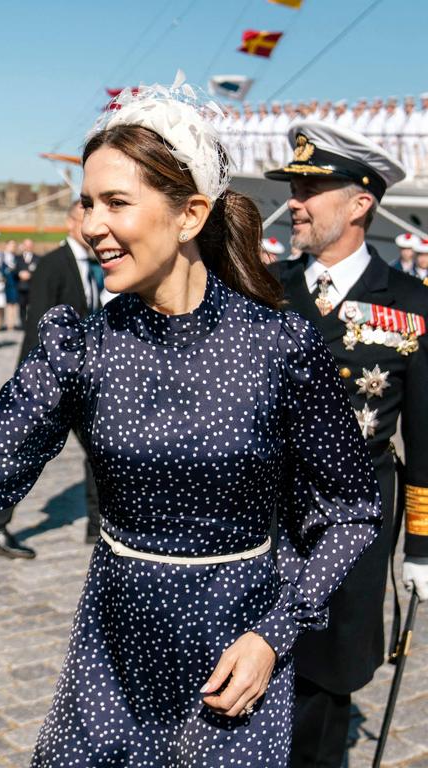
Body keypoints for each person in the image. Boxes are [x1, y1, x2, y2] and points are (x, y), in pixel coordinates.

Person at [0, 80, 381, 766]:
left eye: (116, 203)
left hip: (236, 654)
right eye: (87, 202)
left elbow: (350, 510)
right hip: (113, 653)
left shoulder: (281, 347)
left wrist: (274, 634)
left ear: (189, 215)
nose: (92, 223)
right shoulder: (79, 346)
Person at [262, 120, 428, 767]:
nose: (295, 201)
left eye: (311, 187)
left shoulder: (411, 302)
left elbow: (426, 437)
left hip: (353, 524)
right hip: (263, 517)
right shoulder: (266, 289)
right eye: (294, 186)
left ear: (361, 202)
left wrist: (421, 545)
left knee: (327, 680)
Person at [0, 201, 108, 559]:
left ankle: (100, 526)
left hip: (84, 384)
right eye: (86, 217)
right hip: (52, 385)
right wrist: (36, 386)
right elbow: (38, 328)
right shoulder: (53, 264)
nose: (94, 225)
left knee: (101, 452)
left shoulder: (95, 266)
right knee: (24, 456)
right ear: (70, 222)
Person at [15, 237, 38, 328]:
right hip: (21, 286)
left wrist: (31, 274)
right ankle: (23, 324)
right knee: (22, 306)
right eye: (26, 245)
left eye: (30, 245)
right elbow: (14, 270)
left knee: (33, 306)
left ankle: (32, 323)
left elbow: (40, 271)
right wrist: (19, 273)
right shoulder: (18, 258)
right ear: (23, 246)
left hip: (33, 286)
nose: (28, 247)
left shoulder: (38, 258)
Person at [2, 238, 21, 330]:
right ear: (6, 245)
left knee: (12, 304)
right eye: (11, 245)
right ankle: (0, 324)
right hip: (1, 284)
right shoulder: (1, 256)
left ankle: (11, 324)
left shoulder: (17, 258)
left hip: (12, 284)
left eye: (14, 245)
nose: (13, 247)